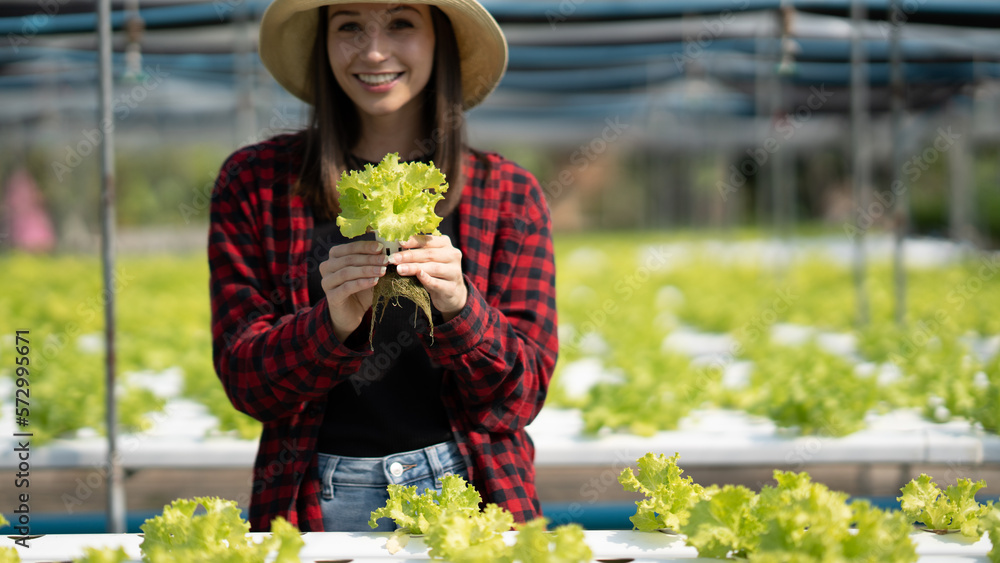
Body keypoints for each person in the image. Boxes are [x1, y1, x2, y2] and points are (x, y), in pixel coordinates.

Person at [208, 0, 557, 532]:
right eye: (348, 25)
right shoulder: (255, 182)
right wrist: (329, 326)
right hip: (316, 499)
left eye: (401, 23)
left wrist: (461, 310)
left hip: (470, 491)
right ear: (323, 43)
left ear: (440, 40)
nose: (373, 50)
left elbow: (520, 397)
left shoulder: (509, 194)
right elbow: (247, 383)